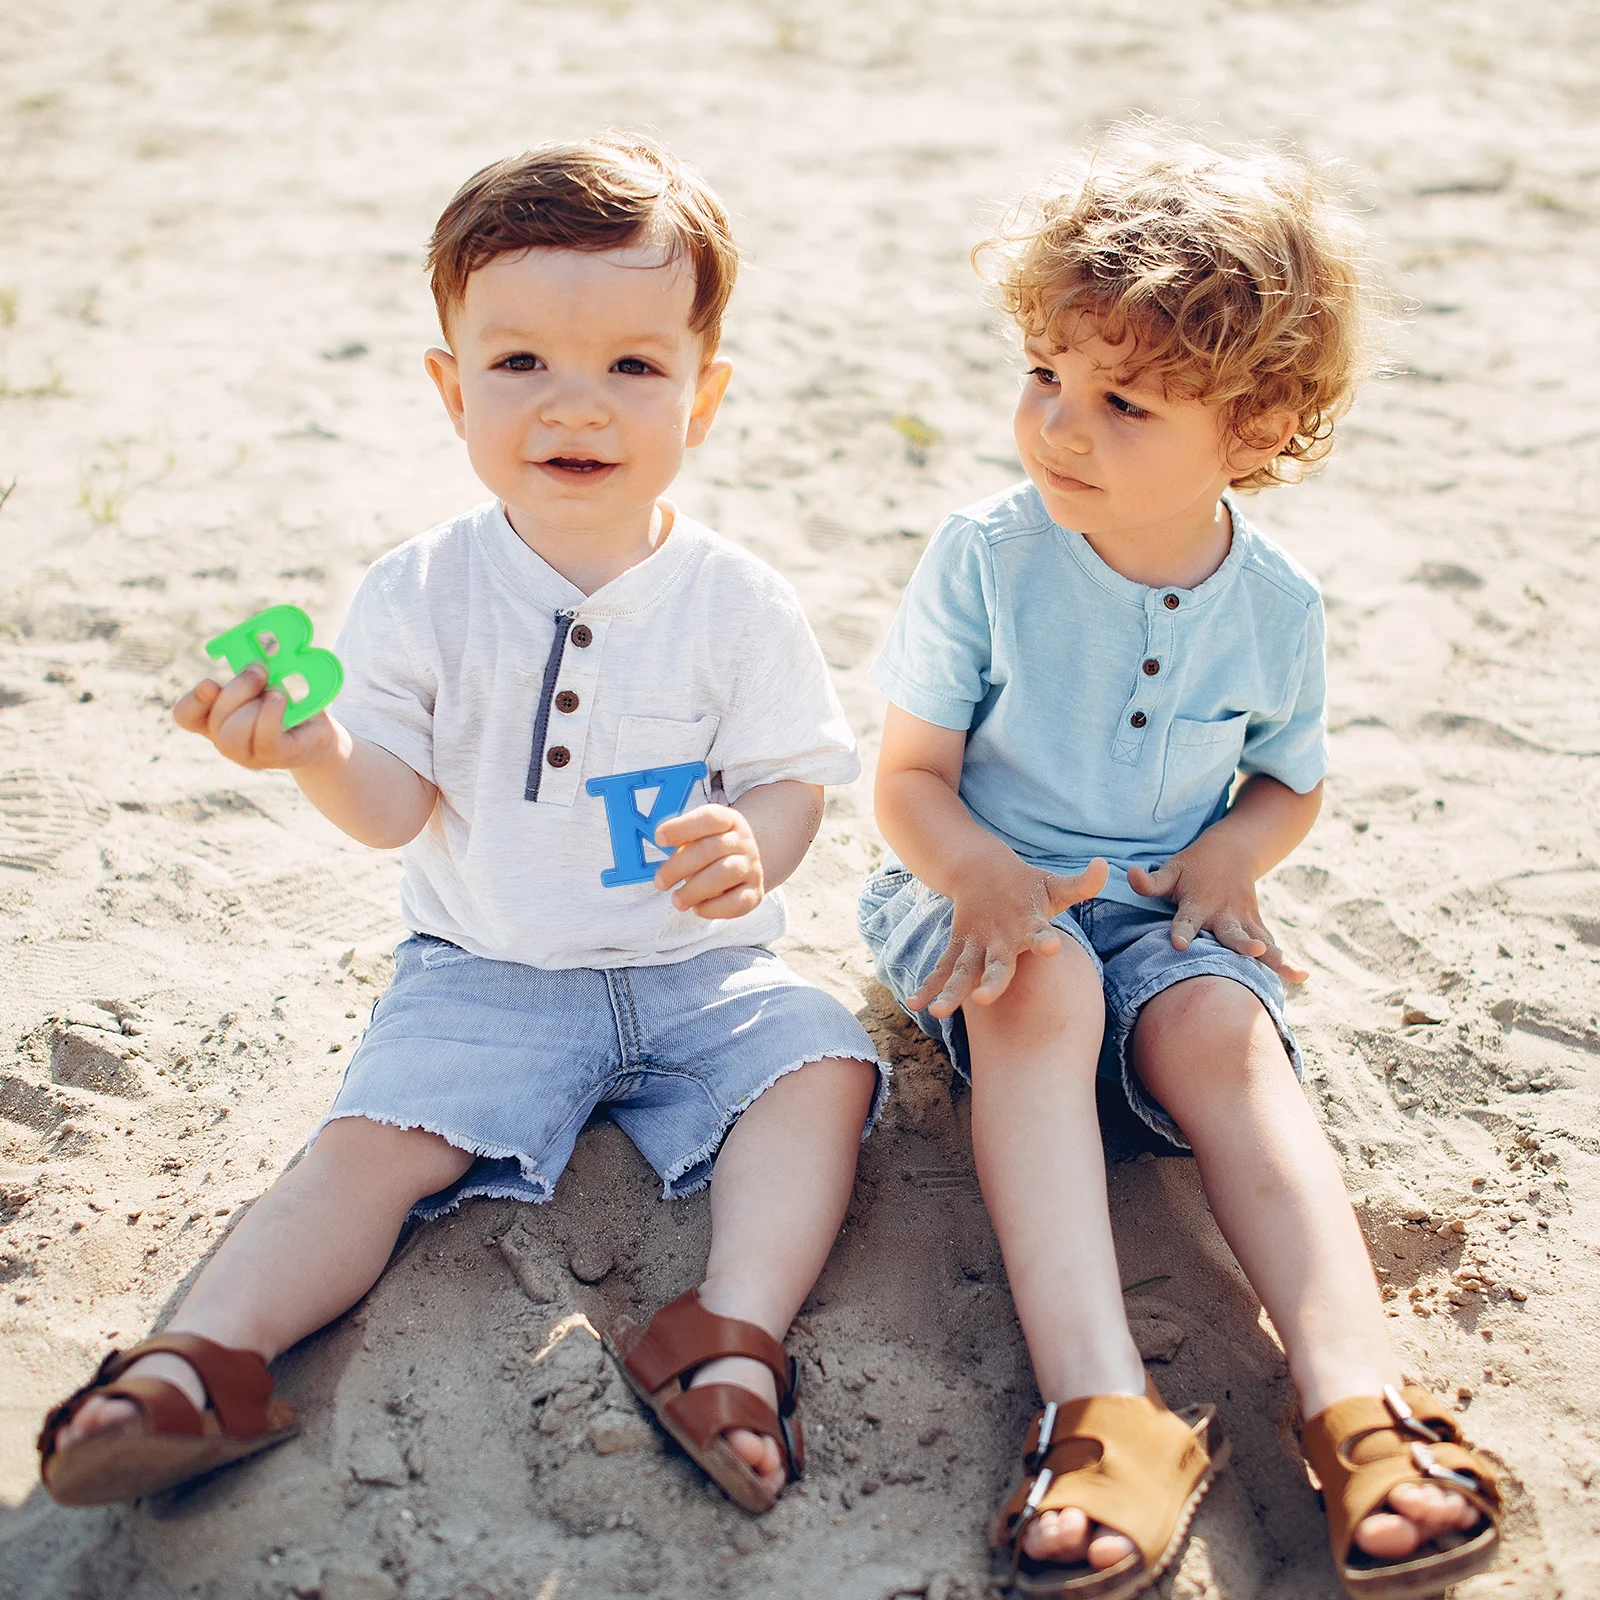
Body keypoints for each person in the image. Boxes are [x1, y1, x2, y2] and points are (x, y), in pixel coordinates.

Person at [39, 132, 885, 1516]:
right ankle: (198, 1364)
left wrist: (756, 843)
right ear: (452, 389)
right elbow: (394, 808)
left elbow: (793, 776)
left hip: (699, 971)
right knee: (365, 1151)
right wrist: (316, 749)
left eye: (634, 365)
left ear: (705, 395)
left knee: (823, 1068)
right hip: (482, 969)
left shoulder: (738, 601)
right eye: (521, 362)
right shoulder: (421, 592)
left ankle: (730, 1335)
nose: (576, 404)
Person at [859, 122, 1501, 1600]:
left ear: (1256, 429)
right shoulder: (988, 559)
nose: (1060, 428)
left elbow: (1290, 779)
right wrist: (978, 872)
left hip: (1160, 914)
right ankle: (1102, 1409)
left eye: (1124, 402)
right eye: (1046, 375)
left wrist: (1233, 855)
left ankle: (1358, 1400)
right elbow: (906, 782)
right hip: (985, 888)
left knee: (1224, 1030)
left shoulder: (1274, 605)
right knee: (1041, 988)